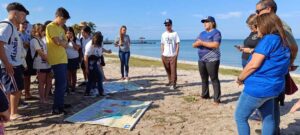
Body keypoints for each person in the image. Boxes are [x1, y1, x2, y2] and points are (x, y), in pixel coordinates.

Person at [235, 13, 290, 135]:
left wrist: (240, 78)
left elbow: (253, 64)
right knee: (268, 119)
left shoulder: (268, 39)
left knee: (240, 117)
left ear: (264, 25)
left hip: (259, 88)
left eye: (257, 26)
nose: (256, 29)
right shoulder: (283, 40)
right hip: (274, 87)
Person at [256, 0, 298, 134]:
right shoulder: (272, 25)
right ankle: (273, 130)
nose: (256, 14)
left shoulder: (280, 25)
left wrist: (288, 64)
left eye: (258, 11)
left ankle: (273, 131)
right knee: (272, 106)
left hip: (273, 74)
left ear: (268, 9)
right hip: (271, 73)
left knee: (271, 105)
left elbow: (293, 47)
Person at [0, 2, 30, 120]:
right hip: (8, 64)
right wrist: (7, 64)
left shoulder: (12, 27)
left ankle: (9, 111)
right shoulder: (6, 25)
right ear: (15, 13)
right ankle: (13, 113)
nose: (24, 18)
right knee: (15, 89)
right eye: (23, 15)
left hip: (13, 63)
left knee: (14, 88)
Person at [45, 7, 70, 115]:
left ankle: (60, 104)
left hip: (63, 58)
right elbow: (58, 42)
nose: (64, 22)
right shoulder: (50, 26)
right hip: (56, 59)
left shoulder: (61, 28)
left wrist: (63, 42)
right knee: (60, 84)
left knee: (63, 84)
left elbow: (65, 43)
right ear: (58, 17)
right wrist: (63, 43)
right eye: (64, 19)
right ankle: (56, 108)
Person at [192, 16, 222, 104]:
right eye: (204, 22)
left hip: (212, 59)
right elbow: (194, 45)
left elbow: (216, 45)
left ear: (212, 23)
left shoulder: (216, 32)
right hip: (201, 59)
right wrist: (199, 43)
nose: (205, 23)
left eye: (207, 22)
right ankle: (205, 95)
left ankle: (217, 99)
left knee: (214, 79)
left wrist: (201, 43)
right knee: (204, 78)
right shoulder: (201, 33)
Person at [84, 32, 111, 97]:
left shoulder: (100, 42)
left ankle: (87, 93)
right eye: (97, 44)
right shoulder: (89, 45)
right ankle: (100, 92)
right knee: (99, 77)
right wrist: (87, 68)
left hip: (96, 61)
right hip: (90, 62)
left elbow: (101, 48)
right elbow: (86, 57)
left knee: (91, 78)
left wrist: (107, 51)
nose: (98, 45)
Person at [30, 23, 52, 104]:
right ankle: (42, 99)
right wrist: (50, 61)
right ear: (38, 31)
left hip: (47, 63)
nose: (44, 32)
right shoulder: (34, 40)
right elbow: (41, 53)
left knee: (49, 81)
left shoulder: (41, 40)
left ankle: (46, 97)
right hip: (40, 64)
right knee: (42, 82)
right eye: (43, 30)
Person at [161, 19, 180, 90]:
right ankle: (170, 81)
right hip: (165, 55)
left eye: (168, 25)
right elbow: (162, 44)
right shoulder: (163, 34)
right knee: (167, 69)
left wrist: (176, 53)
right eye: (166, 25)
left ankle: (173, 83)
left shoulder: (175, 33)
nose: (167, 26)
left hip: (172, 55)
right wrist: (162, 53)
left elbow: (177, 44)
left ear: (171, 25)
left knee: (173, 70)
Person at [19, 20, 36, 100]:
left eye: (25, 24)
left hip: (27, 58)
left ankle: (27, 93)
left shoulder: (27, 35)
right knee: (20, 77)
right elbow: (23, 45)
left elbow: (29, 44)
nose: (24, 26)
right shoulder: (16, 34)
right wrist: (25, 44)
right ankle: (19, 97)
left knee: (27, 77)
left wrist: (26, 44)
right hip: (19, 58)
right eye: (23, 24)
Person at [66, 27, 80, 93]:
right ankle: (69, 87)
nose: (69, 34)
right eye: (67, 33)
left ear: (73, 33)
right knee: (68, 74)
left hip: (74, 59)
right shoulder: (65, 40)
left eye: (70, 33)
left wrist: (72, 41)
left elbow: (77, 48)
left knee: (73, 74)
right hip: (66, 59)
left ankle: (73, 87)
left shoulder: (77, 40)